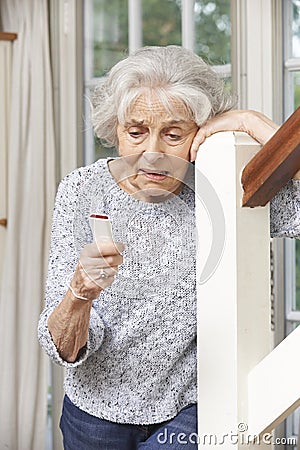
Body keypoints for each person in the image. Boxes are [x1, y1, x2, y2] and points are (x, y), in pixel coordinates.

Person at [38, 46, 300, 450]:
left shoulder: (223, 184)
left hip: (189, 408)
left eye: (174, 134)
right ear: (116, 129)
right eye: (136, 131)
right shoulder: (81, 189)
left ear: (200, 133)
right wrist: (79, 295)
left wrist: (255, 125)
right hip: (94, 412)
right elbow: (62, 347)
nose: (153, 153)